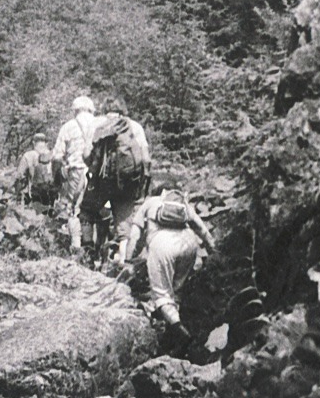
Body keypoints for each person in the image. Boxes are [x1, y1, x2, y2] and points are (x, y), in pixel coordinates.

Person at [125, 186, 213, 337]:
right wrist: (214, 251)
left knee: (162, 295)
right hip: (188, 243)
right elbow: (202, 230)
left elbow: (134, 236)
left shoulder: (150, 202)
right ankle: (170, 330)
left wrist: (127, 261)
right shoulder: (182, 204)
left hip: (162, 245)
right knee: (176, 289)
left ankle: (181, 333)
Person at [86, 98, 151, 263]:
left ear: (105, 108)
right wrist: (141, 181)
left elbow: (87, 155)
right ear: (123, 109)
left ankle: (89, 256)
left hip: (102, 182)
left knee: (87, 211)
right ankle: (122, 262)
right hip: (127, 182)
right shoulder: (134, 126)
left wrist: (95, 170)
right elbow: (146, 159)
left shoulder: (96, 124)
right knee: (124, 223)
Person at [52, 94, 98, 252]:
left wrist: (57, 177)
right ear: (92, 110)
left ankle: (76, 246)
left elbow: (57, 156)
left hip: (76, 172)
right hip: (97, 173)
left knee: (73, 209)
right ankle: (92, 246)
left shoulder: (69, 126)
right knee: (93, 209)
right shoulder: (101, 124)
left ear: (75, 110)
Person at [13, 132, 55, 203]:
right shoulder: (52, 155)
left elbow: (19, 176)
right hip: (50, 195)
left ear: (33, 142)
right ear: (46, 143)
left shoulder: (28, 155)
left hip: (34, 194)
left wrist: (16, 196)